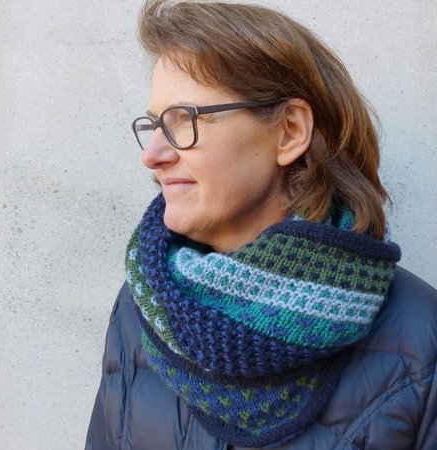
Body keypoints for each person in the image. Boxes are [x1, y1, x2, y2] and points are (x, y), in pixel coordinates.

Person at [85, 1, 437, 448]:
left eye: (184, 120)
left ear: (289, 131)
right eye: (154, 125)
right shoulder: (144, 304)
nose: (151, 155)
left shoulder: (421, 343)